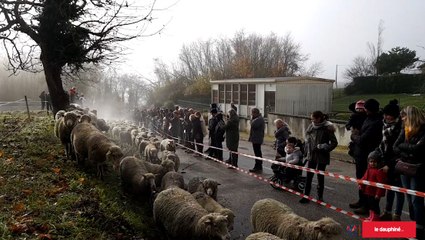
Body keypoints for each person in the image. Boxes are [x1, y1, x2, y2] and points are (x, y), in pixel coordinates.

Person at [393, 106, 425, 239]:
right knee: (409, 198)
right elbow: (395, 146)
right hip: (405, 167)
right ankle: (414, 224)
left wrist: (406, 150)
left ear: (411, 116)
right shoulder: (404, 129)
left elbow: (419, 149)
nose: (402, 119)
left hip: (418, 169)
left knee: (416, 199)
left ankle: (419, 228)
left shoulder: (423, 129)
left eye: (404, 116)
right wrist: (409, 151)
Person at [349, 98, 383, 214]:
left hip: (367, 156)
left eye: (367, 109)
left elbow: (362, 139)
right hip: (360, 154)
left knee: (368, 183)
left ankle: (367, 207)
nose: (365, 111)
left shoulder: (377, 122)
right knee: (361, 180)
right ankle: (361, 200)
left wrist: (354, 136)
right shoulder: (368, 118)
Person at [300, 111, 338, 203]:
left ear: (319, 118)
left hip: (322, 156)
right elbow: (307, 140)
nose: (311, 120)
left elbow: (334, 143)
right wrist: (305, 151)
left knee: (320, 177)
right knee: (309, 176)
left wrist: (324, 147)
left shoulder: (327, 128)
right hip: (312, 155)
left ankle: (320, 196)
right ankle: (306, 196)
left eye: (313, 118)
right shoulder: (311, 126)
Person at [377, 100, 404, 221]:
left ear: (395, 115)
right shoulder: (384, 125)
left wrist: (390, 164)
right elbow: (382, 144)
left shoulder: (400, 128)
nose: (386, 117)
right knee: (389, 188)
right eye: (385, 114)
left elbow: (399, 149)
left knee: (399, 190)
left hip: (397, 162)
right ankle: (387, 211)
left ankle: (397, 216)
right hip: (386, 160)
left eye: (388, 114)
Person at [359, 150, 387, 221]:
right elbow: (364, 178)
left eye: (374, 162)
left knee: (375, 206)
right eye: (371, 162)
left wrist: (378, 194)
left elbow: (381, 184)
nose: (372, 163)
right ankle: (371, 216)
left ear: (378, 162)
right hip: (368, 191)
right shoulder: (369, 170)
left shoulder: (379, 172)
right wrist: (360, 183)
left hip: (374, 193)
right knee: (370, 205)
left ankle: (376, 217)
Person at [248, 108, 265, 173]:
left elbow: (253, 125)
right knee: (257, 152)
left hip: (257, 138)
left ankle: (258, 166)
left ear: (255, 113)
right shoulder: (258, 119)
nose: (252, 114)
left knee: (257, 153)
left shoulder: (259, 119)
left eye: (252, 113)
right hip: (256, 138)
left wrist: (251, 119)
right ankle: (258, 166)